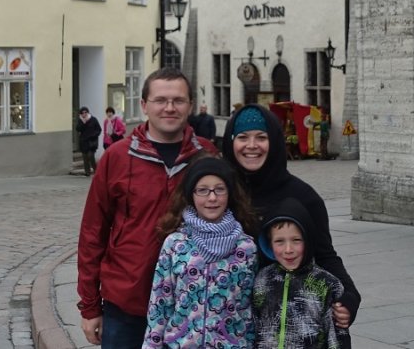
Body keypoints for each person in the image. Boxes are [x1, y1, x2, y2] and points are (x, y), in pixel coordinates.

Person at [78, 68, 217, 348]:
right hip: (127, 303)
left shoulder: (207, 156)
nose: (169, 107)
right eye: (160, 100)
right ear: (144, 105)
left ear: (190, 105)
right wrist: (90, 306)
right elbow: (93, 233)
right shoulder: (116, 158)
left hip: (191, 304)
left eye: (178, 100)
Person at [223, 104, 359, 346]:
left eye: (261, 137)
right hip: (231, 324)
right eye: (243, 137)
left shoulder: (303, 197)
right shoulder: (221, 194)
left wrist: (349, 296)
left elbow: (325, 255)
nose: (251, 145)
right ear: (231, 142)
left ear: (274, 142)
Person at [142, 157, 257, 347]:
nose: (212, 198)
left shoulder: (246, 248)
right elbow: (160, 303)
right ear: (191, 195)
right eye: (203, 190)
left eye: (219, 189)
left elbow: (247, 309)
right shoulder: (175, 244)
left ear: (229, 193)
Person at [253, 198, 347, 349]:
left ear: (308, 240)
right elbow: (253, 327)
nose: (288, 249)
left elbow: (337, 338)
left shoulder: (327, 284)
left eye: (296, 240)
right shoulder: (261, 280)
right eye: (279, 241)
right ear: (269, 244)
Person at [76, 107, 101, 176]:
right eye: (82, 113)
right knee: (85, 157)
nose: (84, 114)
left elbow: (99, 129)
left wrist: (94, 135)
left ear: (88, 113)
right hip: (83, 142)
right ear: (81, 114)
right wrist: (83, 123)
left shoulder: (93, 119)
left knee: (90, 156)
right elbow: (78, 129)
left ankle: (96, 170)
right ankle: (87, 172)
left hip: (92, 142)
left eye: (85, 112)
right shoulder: (80, 121)